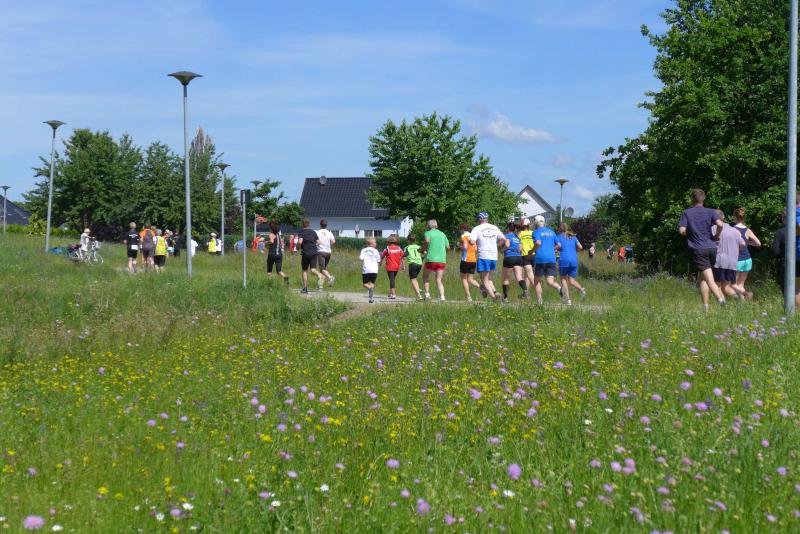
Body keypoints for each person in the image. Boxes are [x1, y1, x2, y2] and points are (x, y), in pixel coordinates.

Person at [678, 188, 726, 310]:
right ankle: (705, 307)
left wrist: (690, 233)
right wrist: (717, 236)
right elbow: (720, 224)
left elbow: (682, 231)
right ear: (703, 199)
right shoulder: (711, 211)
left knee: (709, 279)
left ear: (692, 199)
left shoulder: (686, 213)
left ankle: (721, 300)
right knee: (703, 278)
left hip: (699, 249)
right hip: (712, 247)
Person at [469, 212, 505, 300]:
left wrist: (474, 242)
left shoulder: (477, 228)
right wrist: (496, 246)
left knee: (484, 279)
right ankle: (495, 292)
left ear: (480, 219)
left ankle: (494, 298)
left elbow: (472, 241)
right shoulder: (494, 227)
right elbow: (503, 239)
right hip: (493, 256)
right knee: (488, 278)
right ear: (487, 219)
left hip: (483, 256)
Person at [712, 211, 746, 299]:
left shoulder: (713, 229)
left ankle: (722, 303)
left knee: (718, 285)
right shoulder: (735, 230)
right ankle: (740, 301)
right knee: (727, 287)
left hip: (719, 261)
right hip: (732, 262)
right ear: (723, 218)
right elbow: (743, 244)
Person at [533, 215, 563, 305]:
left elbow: (538, 243)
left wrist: (532, 250)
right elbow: (559, 245)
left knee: (537, 281)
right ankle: (559, 288)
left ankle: (539, 302)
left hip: (540, 259)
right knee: (550, 281)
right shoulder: (551, 232)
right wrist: (551, 249)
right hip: (551, 259)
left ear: (535, 223)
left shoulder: (536, 232)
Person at [732, 207, 760, 298]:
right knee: (741, 284)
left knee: (733, 284)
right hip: (747, 259)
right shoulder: (748, 230)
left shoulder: (733, 230)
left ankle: (746, 294)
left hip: (738, 259)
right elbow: (758, 243)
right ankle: (743, 301)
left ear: (734, 217)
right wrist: (748, 242)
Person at [556, 223, 585, 305]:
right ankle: (581, 290)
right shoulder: (573, 237)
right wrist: (574, 251)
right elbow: (580, 247)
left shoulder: (558, 237)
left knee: (563, 279)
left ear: (559, 229)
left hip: (564, 259)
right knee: (571, 280)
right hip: (574, 259)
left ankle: (568, 300)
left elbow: (557, 246)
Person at [422, 220, 450, 301]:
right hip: (442, 260)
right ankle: (442, 297)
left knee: (425, 276)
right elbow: (448, 247)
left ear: (428, 226)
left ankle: (427, 294)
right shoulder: (443, 234)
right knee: (439, 279)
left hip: (431, 259)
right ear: (436, 226)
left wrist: (422, 249)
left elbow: (427, 241)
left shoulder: (428, 233)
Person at [501, 222, 528, 301]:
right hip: (518, 258)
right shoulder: (517, 237)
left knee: (506, 279)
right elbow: (520, 249)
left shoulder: (507, 236)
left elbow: (507, 245)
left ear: (508, 228)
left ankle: (505, 298)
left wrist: (502, 250)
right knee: (519, 277)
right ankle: (526, 292)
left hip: (509, 257)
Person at [297, 219, 323, 293]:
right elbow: (319, 242)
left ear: (302, 225)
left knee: (304, 270)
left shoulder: (301, 232)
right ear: (309, 224)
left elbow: (300, 242)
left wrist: (298, 247)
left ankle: (305, 288)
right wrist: (313, 245)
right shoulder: (313, 232)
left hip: (306, 252)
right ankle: (320, 275)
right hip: (314, 252)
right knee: (313, 269)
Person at [458, 223, 481, 301]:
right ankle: (481, 287)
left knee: (464, 279)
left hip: (465, 260)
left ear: (462, 229)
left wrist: (460, 247)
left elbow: (465, 247)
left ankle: (469, 297)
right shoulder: (473, 236)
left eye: (460, 230)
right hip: (473, 260)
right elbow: (476, 249)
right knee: (470, 279)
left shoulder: (464, 236)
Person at [381, 235, 404, 299]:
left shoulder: (387, 248)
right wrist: (403, 265)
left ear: (388, 241)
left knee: (392, 280)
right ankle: (391, 293)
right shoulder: (399, 248)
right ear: (396, 242)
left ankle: (393, 294)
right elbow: (403, 257)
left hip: (390, 267)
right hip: (396, 267)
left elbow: (382, 256)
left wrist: (380, 262)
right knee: (392, 279)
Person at [360, 238, 381, 303]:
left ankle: (369, 289)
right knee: (371, 284)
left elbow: (361, 258)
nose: (376, 243)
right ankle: (371, 298)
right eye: (375, 242)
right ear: (371, 244)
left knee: (365, 284)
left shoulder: (363, 250)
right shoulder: (376, 251)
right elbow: (379, 260)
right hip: (374, 269)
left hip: (366, 269)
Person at [403, 234, 424, 300]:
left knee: (413, 279)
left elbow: (404, 257)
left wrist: (403, 266)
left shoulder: (407, 247)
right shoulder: (418, 247)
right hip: (419, 264)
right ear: (415, 240)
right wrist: (421, 259)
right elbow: (424, 253)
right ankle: (418, 289)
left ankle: (419, 296)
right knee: (414, 278)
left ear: (408, 240)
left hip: (413, 264)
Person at [316, 219, 336, 287]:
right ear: (326, 225)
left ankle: (330, 278)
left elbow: (315, 241)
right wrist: (329, 245)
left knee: (322, 269)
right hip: (328, 252)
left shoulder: (317, 232)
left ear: (320, 225)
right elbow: (333, 241)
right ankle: (320, 285)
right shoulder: (329, 232)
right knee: (323, 269)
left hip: (321, 251)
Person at [518, 218, 536, 290]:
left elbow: (518, 245)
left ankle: (538, 288)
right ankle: (526, 293)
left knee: (529, 273)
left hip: (525, 255)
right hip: (533, 254)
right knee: (527, 275)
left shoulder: (520, 234)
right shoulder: (533, 233)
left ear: (522, 225)